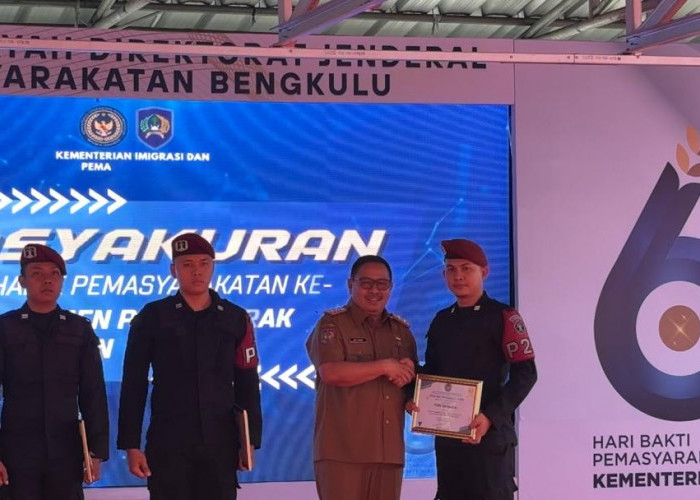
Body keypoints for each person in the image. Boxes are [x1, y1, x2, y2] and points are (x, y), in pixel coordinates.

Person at [117, 233, 262, 500]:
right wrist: (131, 444)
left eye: (204, 263)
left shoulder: (235, 318)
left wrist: (249, 440)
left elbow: (247, 383)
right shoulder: (153, 316)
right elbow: (133, 383)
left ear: (213, 267)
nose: (197, 271)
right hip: (169, 441)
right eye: (187, 264)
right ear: (174, 270)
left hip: (221, 442)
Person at [417, 239, 537, 500]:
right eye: (451, 269)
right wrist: (411, 380)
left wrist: (490, 416)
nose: (458, 276)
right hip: (449, 438)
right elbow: (433, 374)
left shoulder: (504, 316)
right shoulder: (441, 320)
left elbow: (526, 374)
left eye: (466, 268)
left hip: (489, 437)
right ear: (444, 275)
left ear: (484, 272)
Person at [0, 244, 109, 499]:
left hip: (66, 452)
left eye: (54, 274)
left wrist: (95, 451)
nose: (47, 280)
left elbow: (93, 393)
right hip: (16, 451)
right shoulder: (5, 328)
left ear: (62, 281)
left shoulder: (79, 329)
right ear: (22, 281)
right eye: (37, 273)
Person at [306, 255, 418, 500]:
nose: (374, 291)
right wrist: (384, 366)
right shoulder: (332, 324)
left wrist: (411, 379)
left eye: (382, 284)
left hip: (388, 454)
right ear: (350, 285)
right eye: (366, 283)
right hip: (343, 452)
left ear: (390, 287)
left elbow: (409, 386)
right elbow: (331, 372)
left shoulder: (402, 332)